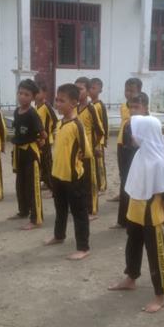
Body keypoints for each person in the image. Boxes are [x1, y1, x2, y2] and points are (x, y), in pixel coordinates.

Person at [108, 115, 164, 313]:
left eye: (135, 132)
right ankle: (131, 277)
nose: (132, 136)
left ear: (144, 133)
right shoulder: (140, 154)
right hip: (135, 209)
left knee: (156, 253)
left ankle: (160, 295)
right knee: (132, 245)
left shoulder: (158, 160)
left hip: (151, 213)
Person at [44, 83, 93, 260]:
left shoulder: (77, 125)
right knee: (60, 209)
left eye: (61, 101)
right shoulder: (59, 123)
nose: (57, 104)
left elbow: (87, 152)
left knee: (79, 213)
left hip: (73, 178)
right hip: (57, 175)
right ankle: (59, 235)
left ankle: (83, 247)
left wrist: (76, 163)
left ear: (73, 103)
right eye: (56, 100)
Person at [9, 79, 45, 230]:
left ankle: (36, 218)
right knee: (20, 184)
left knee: (32, 186)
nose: (22, 96)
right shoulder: (16, 112)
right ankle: (23, 211)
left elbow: (43, 134)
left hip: (30, 153)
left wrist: (40, 142)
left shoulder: (32, 113)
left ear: (33, 97)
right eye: (20, 93)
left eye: (26, 94)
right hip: (19, 152)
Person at [110, 92, 149, 229]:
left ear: (145, 108)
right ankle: (123, 221)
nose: (133, 110)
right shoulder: (128, 124)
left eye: (136, 107)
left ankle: (142, 221)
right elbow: (125, 146)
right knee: (125, 186)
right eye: (131, 107)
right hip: (128, 160)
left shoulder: (149, 124)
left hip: (143, 163)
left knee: (141, 191)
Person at [75, 77, 104, 220]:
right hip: (77, 152)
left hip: (89, 151)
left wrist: (94, 146)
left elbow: (100, 130)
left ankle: (92, 210)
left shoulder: (91, 108)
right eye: (75, 88)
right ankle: (81, 206)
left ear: (87, 91)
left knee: (90, 180)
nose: (77, 91)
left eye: (80, 89)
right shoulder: (74, 108)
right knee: (78, 180)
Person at [110, 77, 143, 203]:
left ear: (139, 91)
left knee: (131, 171)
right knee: (122, 171)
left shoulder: (140, 107)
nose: (128, 93)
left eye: (131, 91)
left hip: (133, 143)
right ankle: (122, 193)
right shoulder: (123, 106)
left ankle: (130, 196)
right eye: (126, 90)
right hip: (121, 141)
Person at [35, 79, 58, 193]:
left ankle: (52, 187)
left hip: (46, 140)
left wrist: (52, 134)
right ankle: (45, 182)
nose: (35, 94)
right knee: (41, 162)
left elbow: (55, 120)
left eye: (38, 92)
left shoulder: (46, 106)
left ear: (44, 93)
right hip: (38, 141)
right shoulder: (36, 106)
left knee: (47, 163)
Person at [90, 78, 109, 194]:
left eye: (94, 88)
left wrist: (104, 139)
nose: (91, 91)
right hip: (91, 139)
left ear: (100, 90)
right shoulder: (89, 105)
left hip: (98, 140)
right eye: (90, 88)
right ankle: (95, 184)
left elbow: (104, 123)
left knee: (100, 163)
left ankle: (102, 186)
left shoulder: (99, 105)